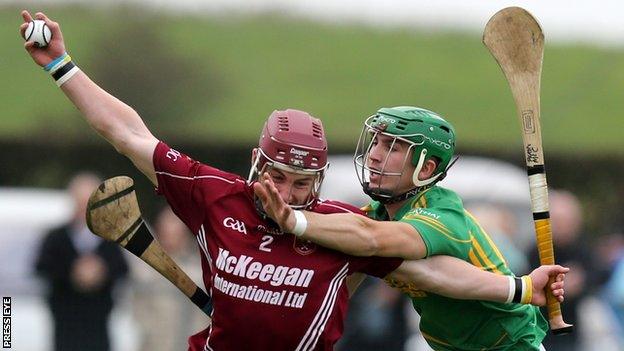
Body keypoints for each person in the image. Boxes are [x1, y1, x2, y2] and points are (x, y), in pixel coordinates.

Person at [20, 12, 566, 350]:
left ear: (320, 181)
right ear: (258, 162)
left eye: (302, 182)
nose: (286, 191)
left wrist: (518, 288)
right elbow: (127, 133)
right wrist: (61, 65)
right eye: (278, 176)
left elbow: (434, 274)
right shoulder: (213, 194)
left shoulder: (342, 228)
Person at [254, 106, 567, 350]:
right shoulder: (376, 215)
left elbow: (373, 241)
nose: (375, 154)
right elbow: (343, 282)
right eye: (376, 141)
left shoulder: (443, 213)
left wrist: (294, 221)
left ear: (425, 168)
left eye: (392, 146)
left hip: (509, 347)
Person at [34, 172, 129, 351]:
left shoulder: (111, 238)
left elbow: (122, 269)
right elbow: (42, 267)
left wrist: (101, 271)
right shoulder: (56, 237)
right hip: (65, 322)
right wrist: (73, 271)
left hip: (98, 323)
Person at [132, 206, 208, 351]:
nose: (169, 234)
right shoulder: (145, 269)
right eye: (164, 230)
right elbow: (137, 309)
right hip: (155, 345)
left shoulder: (202, 268)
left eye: (174, 230)